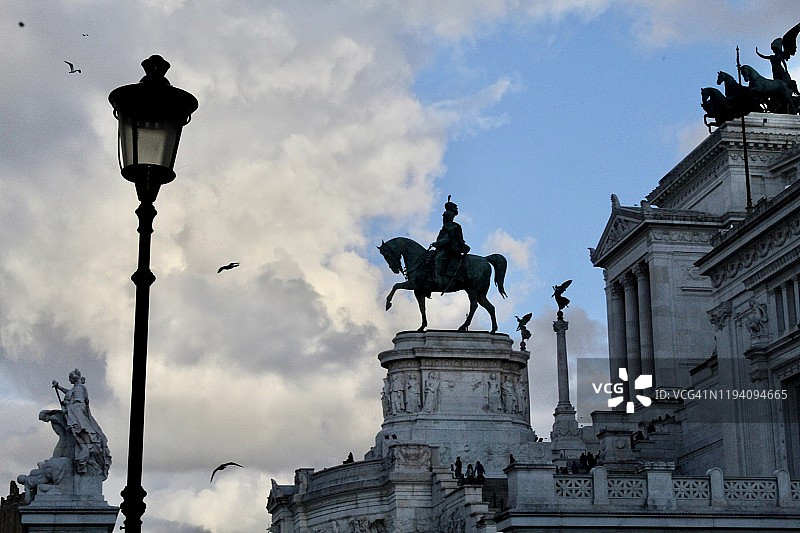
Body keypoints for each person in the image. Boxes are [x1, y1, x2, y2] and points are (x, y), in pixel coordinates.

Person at [52, 369, 111, 478]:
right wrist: (59, 387)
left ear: (74, 377)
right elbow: (69, 392)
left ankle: (82, 462)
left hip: (77, 415)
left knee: (80, 435)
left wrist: (68, 407)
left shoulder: (79, 388)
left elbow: (79, 403)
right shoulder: (77, 388)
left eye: (70, 378)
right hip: (74, 413)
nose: (69, 380)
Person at [430, 196, 470, 289]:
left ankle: (438, 278)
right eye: (444, 217)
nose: (444, 218)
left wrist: (437, 244)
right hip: (446, 247)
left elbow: (447, 239)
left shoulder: (451, 226)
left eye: (445, 217)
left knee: (438, 259)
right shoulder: (452, 226)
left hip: (450, 248)